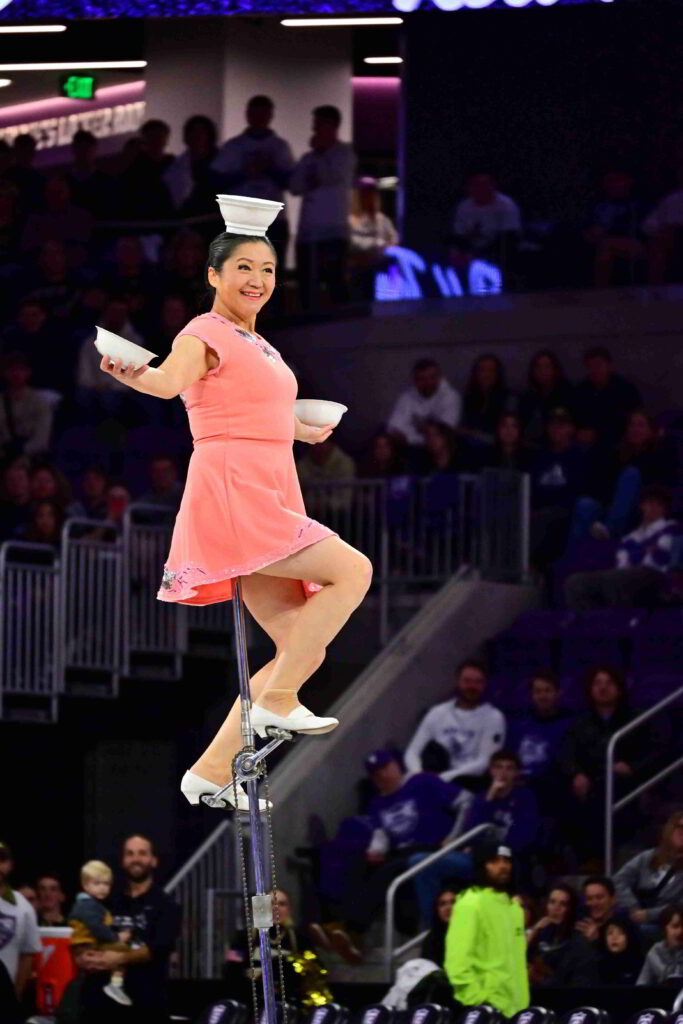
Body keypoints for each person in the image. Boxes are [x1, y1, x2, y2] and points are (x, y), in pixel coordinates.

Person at [98, 195, 373, 808]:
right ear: (214, 276)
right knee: (354, 571)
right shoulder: (203, 330)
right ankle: (276, 706)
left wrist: (302, 430)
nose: (258, 280)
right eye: (244, 268)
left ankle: (210, 772)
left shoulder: (261, 344)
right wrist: (131, 374)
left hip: (267, 478)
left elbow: (257, 408)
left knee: (301, 645)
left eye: (268, 270)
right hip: (235, 489)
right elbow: (171, 383)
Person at [316, 749, 469, 961]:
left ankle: (355, 930)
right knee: (359, 863)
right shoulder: (377, 803)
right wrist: (375, 851)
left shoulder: (422, 782)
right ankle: (340, 926)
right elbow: (381, 835)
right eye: (377, 774)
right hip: (400, 853)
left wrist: (455, 837)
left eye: (386, 769)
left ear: (396, 765)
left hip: (433, 848)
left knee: (389, 869)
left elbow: (466, 801)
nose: (383, 776)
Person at [74, 834, 181, 1024]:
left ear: (153, 860)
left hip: (146, 1005)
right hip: (99, 1006)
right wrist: (83, 955)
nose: (136, 859)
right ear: (123, 861)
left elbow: (160, 948)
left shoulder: (166, 904)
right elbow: (83, 930)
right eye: (130, 854)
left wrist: (119, 958)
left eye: (142, 853)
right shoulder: (105, 899)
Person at [560, 668, 646, 863]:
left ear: (619, 688)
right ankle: (580, 857)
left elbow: (653, 752)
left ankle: (607, 856)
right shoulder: (581, 722)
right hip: (590, 781)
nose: (603, 687)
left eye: (609, 682)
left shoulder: (636, 718)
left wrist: (632, 767)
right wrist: (576, 774)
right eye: (598, 683)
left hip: (624, 782)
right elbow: (568, 753)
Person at [444, 840, 529, 1016]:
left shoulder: (514, 908)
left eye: (506, 861)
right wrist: (479, 1001)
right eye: (494, 861)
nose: (503, 866)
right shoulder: (470, 903)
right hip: (485, 1009)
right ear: (482, 865)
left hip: (517, 1009)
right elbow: (457, 963)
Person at [565, 485, 680, 610]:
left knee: (617, 581)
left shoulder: (671, 528)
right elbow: (623, 562)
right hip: (624, 575)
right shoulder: (631, 536)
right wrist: (645, 550)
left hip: (653, 576)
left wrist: (636, 553)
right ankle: (590, 625)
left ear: (665, 509)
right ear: (641, 506)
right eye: (649, 503)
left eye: (658, 505)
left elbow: (660, 559)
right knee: (575, 582)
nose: (652, 508)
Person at [212, 96, 294, 268]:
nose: (259, 118)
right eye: (256, 113)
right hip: (240, 221)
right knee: (239, 268)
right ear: (248, 115)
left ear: (270, 116)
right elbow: (216, 182)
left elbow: (291, 184)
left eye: (263, 114)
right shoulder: (233, 147)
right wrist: (245, 172)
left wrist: (269, 168)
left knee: (273, 271)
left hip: (273, 220)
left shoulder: (280, 147)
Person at [290, 105, 356, 309]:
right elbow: (295, 186)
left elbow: (328, 176)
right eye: (315, 125)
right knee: (308, 288)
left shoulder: (344, 154)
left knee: (336, 284)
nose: (315, 129)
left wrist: (320, 155)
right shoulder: (307, 158)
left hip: (333, 232)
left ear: (333, 126)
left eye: (319, 124)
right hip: (308, 234)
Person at [404, 659, 505, 788]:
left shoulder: (494, 717)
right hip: (432, 775)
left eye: (478, 682)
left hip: (467, 781)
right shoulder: (437, 712)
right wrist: (419, 774)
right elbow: (413, 751)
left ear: (485, 685)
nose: (472, 687)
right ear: (457, 682)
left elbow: (484, 762)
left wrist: (445, 778)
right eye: (467, 681)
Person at [67, 859, 133, 1007]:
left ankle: (116, 983)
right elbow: (97, 927)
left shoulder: (92, 905)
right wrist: (117, 937)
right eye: (97, 884)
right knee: (124, 952)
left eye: (106, 884)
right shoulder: (88, 906)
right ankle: (115, 985)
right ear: (85, 885)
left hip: (91, 944)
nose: (102, 888)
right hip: (87, 946)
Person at [506, 672, 573, 811]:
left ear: (558, 693)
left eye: (548, 691)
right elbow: (509, 755)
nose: (543, 696)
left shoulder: (568, 725)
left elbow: (563, 762)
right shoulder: (520, 725)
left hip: (548, 787)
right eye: (538, 691)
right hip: (516, 782)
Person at [614, 810, 683, 943]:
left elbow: (681, 905)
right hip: (634, 913)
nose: (681, 832)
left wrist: (648, 915)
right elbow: (619, 880)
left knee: (643, 931)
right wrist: (633, 907)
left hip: (667, 921)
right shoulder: (648, 856)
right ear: (670, 830)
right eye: (678, 827)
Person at [387, 359, 462, 471]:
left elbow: (446, 431)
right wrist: (425, 433)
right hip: (412, 449)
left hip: (442, 452)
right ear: (415, 381)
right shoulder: (407, 397)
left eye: (431, 377)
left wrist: (415, 433)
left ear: (439, 377)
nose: (427, 382)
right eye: (422, 379)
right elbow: (394, 429)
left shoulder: (451, 396)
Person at [463, 749, 540, 857]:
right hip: (478, 854)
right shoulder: (482, 798)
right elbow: (470, 832)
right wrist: (489, 799)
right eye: (498, 767)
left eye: (509, 768)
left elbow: (523, 839)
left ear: (516, 773)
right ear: (491, 771)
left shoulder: (525, 798)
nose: (503, 773)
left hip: (509, 855)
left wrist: (495, 852)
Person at [450, 172, 521, 279]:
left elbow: (508, 237)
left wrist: (483, 255)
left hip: (498, 251)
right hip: (472, 249)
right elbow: (459, 235)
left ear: (493, 186)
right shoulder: (463, 207)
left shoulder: (506, 205)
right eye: (475, 185)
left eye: (484, 185)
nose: (480, 189)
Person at [527, 883, 599, 987]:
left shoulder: (579, 944)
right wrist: (534, 931)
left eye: (563, 904)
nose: (556, 908)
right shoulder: (540, 935)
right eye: (552, 902)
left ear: (571, 909)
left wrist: (542, 978)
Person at [585, 169, 647, 288]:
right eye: (609, 181)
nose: (613, 185)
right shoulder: (597, 206)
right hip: (595, 241)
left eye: (618, 181)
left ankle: (600, 291)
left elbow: (644, 230)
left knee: (606, 245)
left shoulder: (638, 206)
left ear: (629, 182)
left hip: (636, 244)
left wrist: (607, 231)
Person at [572, 346, 641, 449]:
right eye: (590, 366)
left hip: (618, 444)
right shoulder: (581, 391)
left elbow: (631, 420)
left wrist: (599, 434)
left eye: (598, 365)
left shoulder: (625, 390)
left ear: (609, 365)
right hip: (587, 446)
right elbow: (575, 417)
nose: (595, 370)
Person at [0, 840, 42, 1005]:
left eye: (2, 860)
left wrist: (15, 998)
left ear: (10, 865)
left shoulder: (23, 906)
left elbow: (27, 956)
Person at [349, 176, 399, 300]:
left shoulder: (382, 219)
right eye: (364, 193)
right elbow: (353, 244)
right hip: (359, 270)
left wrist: (385, 247)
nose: (368, 197)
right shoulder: (350, 220)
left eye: (371, 193)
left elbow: (394, 241)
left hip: (381, 272)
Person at [0, 351, 53, 464]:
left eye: (20, 370)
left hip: (31, 457)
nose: (16, 374)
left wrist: (22, 451)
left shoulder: (39, 401)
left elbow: (42, 438)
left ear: (28, 372)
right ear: (5, 373)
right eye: (12, 370)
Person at [520, 350, 575, 445]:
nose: (542, 371)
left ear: (555, 369)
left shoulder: (568, 394)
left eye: (547, 366)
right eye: (538, 367)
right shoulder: (528, 396)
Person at [296, 437, 357, 517]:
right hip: (309, 515)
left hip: (340, 516)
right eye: (315, 442)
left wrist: (326, 504)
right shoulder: (301, 465)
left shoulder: (345, 464)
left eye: (322, 441)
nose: (318, 446)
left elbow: (345, 498)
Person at [460, 354, 511, 442]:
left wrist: (474, 434)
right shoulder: (467, 399)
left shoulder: (509, 399)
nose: (486, 375)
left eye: (491, 370)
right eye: (482, 370)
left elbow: (509, 435)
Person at [637, 906, 683, 984]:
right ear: (664, 929)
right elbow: (641, 985)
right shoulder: (655, 951)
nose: (681, 931)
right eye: (675, 926)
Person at [576, 876, 629, 943]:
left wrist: (595, 941)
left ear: (613, 899)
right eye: (589, 899)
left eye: (599, 897)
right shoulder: (580, 927)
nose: (594, 903)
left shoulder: (626, 929)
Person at [598, 916, 645, 985]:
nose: (614, 938)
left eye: (621, 933)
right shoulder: (600, 963)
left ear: (630, 937)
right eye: (610, 933)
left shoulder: (639, 963)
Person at [421, 888, 458, 968]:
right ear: (437, 910)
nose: (448, 908)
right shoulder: (431, 940)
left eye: (453, 902)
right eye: (442, 904)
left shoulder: (472, 933)